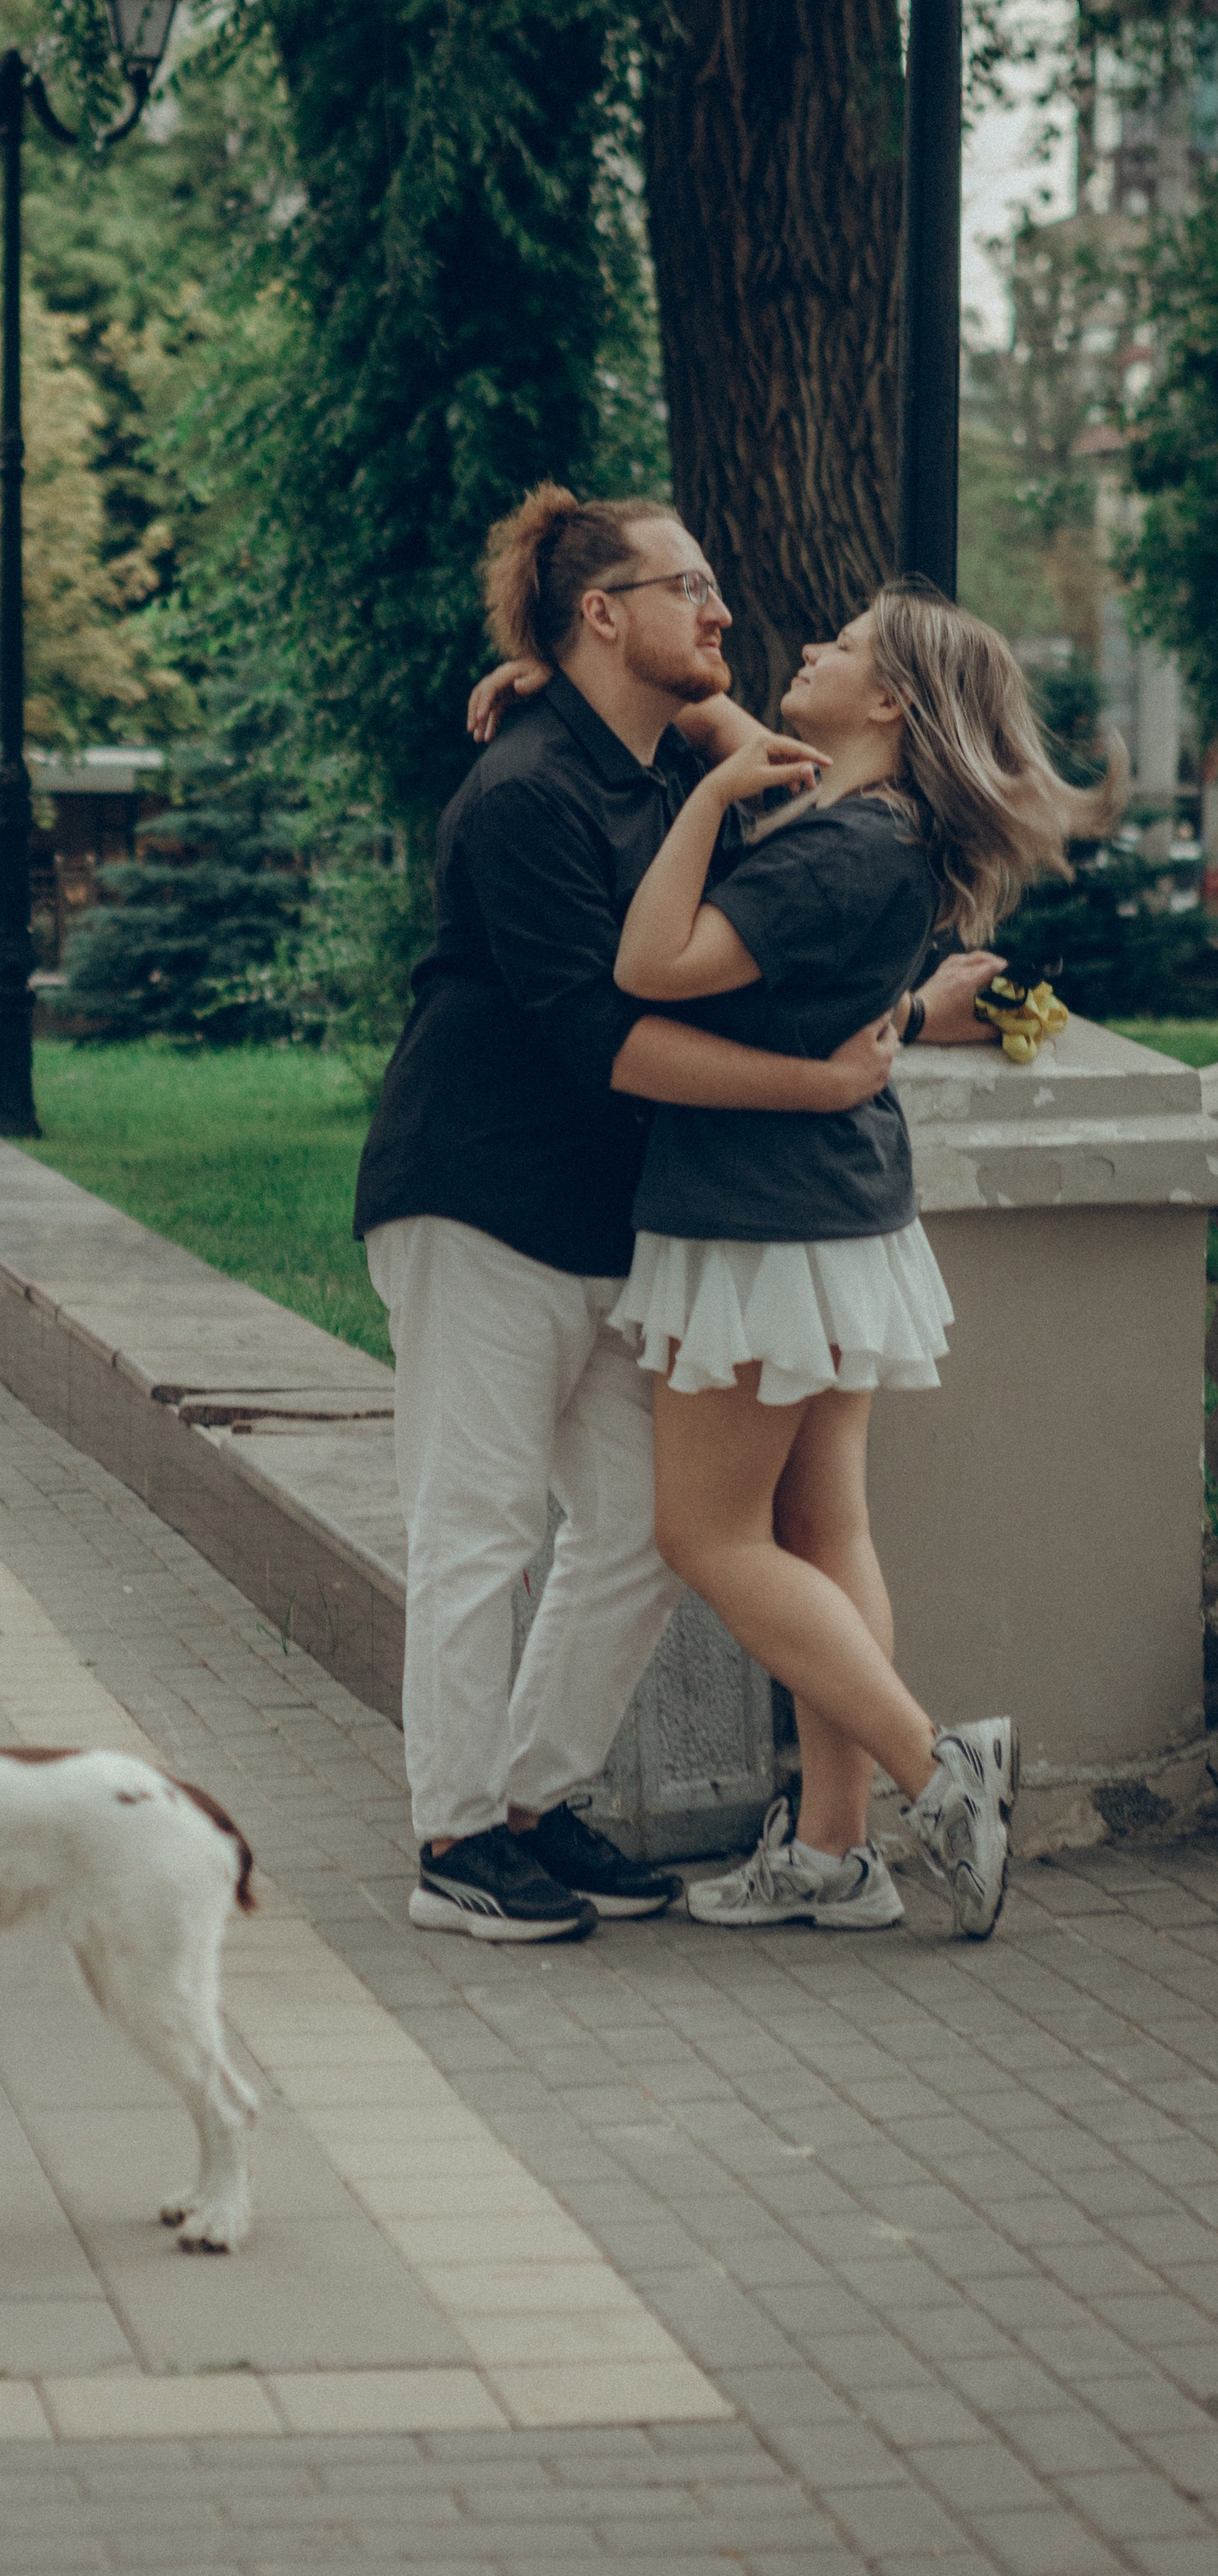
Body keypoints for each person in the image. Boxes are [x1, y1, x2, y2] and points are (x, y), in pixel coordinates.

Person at [353, 490, 999, 1946]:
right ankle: (456, 1840)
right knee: (476, 1527)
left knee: (649, 1534)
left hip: (613, 1224)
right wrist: (819, 1088)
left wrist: (902, 1015)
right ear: (604, 612)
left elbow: (795, 920)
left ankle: (535, 1804)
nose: (722, 611)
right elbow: (609, 1037)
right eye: (688, 587)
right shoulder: (524, 794)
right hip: (479, 1199)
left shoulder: (651, 770)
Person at [609, 591, 1120, 1937]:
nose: (809, 648)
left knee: (702, 1532)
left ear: (890, 705)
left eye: (841, 644)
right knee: (821, 1532)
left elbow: (652, 962)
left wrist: (711, 798)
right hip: (832, 1216)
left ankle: (933, 1769)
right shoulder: (879, 829)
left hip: (763, 1220)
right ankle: (834, 1855)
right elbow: (730, 725)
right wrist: (561, 667)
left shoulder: (824, 849)